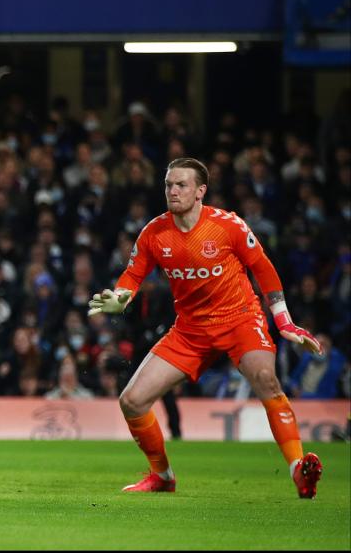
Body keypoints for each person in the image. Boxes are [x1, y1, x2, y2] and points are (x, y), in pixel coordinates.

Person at [88, 158, 324, 499]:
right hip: (190, 330)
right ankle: (163, 477)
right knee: (132, 401)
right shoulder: (155, 232)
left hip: (240, 319)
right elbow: (133, 275)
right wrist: (120, 299)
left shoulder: (228, 225)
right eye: (169, 184)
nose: (172, 190)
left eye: (181, 185)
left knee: (265, 380)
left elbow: (264, 270)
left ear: (201, 191)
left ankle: (298, 472)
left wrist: (283, 320)